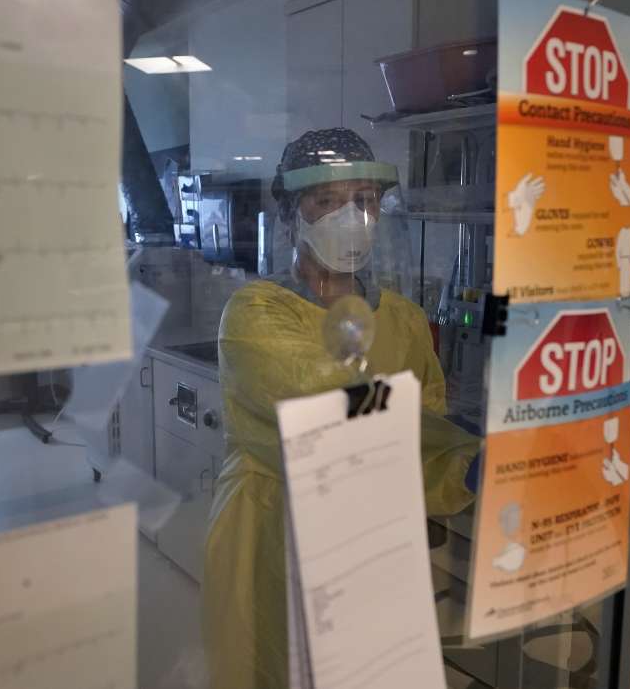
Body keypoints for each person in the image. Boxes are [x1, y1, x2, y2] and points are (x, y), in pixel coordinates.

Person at [202, 128, 480, 689]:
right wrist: (437, 435)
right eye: (326, 201)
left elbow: (416, 432)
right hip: (270, 527)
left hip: (369, 529)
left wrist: (461, 465)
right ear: (291, 215)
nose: (350, 217)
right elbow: (320, 401)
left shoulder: (401, 317)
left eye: (364, 200)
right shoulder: (255, 312)